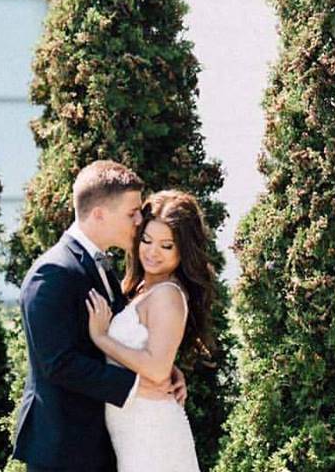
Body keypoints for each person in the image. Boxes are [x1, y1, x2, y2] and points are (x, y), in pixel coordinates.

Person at [13, 161, 188, 472]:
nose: (139, 220)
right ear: (99, 215)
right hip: (65, 450)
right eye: (131, 212)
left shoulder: (101, 265)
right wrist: (137, 385)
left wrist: (162, 365)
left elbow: (120, 334)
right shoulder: (52, 273)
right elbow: (58, 362)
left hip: (102, 444)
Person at [86, 190, 216, 472]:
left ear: (183, 250)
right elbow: (156, 358)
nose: (152, 252)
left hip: (153, 433)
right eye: (146, 240)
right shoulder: (141, 289)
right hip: (133, 429)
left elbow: (157, 369)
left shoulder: (167, 294)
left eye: (166, 246)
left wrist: (101, 338)